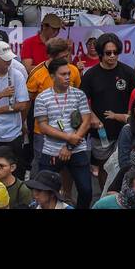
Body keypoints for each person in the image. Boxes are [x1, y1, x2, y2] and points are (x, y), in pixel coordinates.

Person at [34, 56, 95, 209]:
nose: (68, 77)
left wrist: (69, 146)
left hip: (77, 149)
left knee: (86, 190)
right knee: (42, 190)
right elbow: (43, 126)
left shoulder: (78, 94)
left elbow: (86, 121)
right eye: (63, 74)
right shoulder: (42, 97)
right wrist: (68, 137)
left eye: (69, 73)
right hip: (52, 150)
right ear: (52, 76)